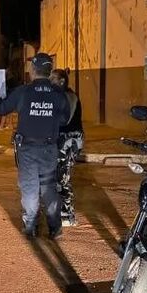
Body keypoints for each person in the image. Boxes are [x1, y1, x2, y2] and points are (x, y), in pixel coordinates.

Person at [0, 53, 69, 240]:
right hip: (49, 149)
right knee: (49, 188)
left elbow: (1, 109)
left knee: (30, 189)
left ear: (32, 70)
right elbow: (65, 120)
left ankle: (31, 226)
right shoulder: (59, 94)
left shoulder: (23, 92)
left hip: (27, 150)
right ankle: (55, 227)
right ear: (49, 72)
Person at [50, 68, 84, 227]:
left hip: (70, 141)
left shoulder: (69, 96)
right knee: (57, 176)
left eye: (53, 79)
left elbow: (65, 119)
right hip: (61, 141)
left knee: (62, 177)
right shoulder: (58, 96)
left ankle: (67, 215)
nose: (50, 82)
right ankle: (59, 211)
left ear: (62, 81)